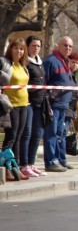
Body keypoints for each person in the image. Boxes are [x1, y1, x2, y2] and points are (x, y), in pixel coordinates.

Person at [42, 36, 75, 172]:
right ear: (58, 45)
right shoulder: (51, 61)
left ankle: (60, 160)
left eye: (70, 46)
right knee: (51, 133)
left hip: (64, 105)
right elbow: (43, 83)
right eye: (65, 45)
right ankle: (50, 161)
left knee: (59, 135)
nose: (67, 48)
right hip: (53, 105)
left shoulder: (65, 62)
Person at [0, 38, 30, 180]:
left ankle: (15, 167)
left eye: (22, 49)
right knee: (11, 137)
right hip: (10, 105)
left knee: (18, 137)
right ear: (10, 49)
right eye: (16, 48)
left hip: (24, 104)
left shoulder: (23, 66)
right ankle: (5, 169)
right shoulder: (5, 64)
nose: (19, 51)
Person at [19, 35, 47, 177]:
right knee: (27, 133)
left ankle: (31, 163)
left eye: (38, 46)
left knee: (37, 134)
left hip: (40, 103)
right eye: (33, 46)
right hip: (28, 102)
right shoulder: (25, 63)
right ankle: (23, 165)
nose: (36, 48)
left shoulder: (39, 62)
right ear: (27, 47)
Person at [60, 52, 78, 169]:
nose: (75, 65)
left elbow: (77, 93)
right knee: (61, 135)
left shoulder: (74, 76)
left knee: (63, 134)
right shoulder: (66, 74)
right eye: (73, 62)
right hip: (64, 108)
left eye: (77, 63)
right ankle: (61, 160)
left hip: (71, 110)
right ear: (68, 62)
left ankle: (62, 160)